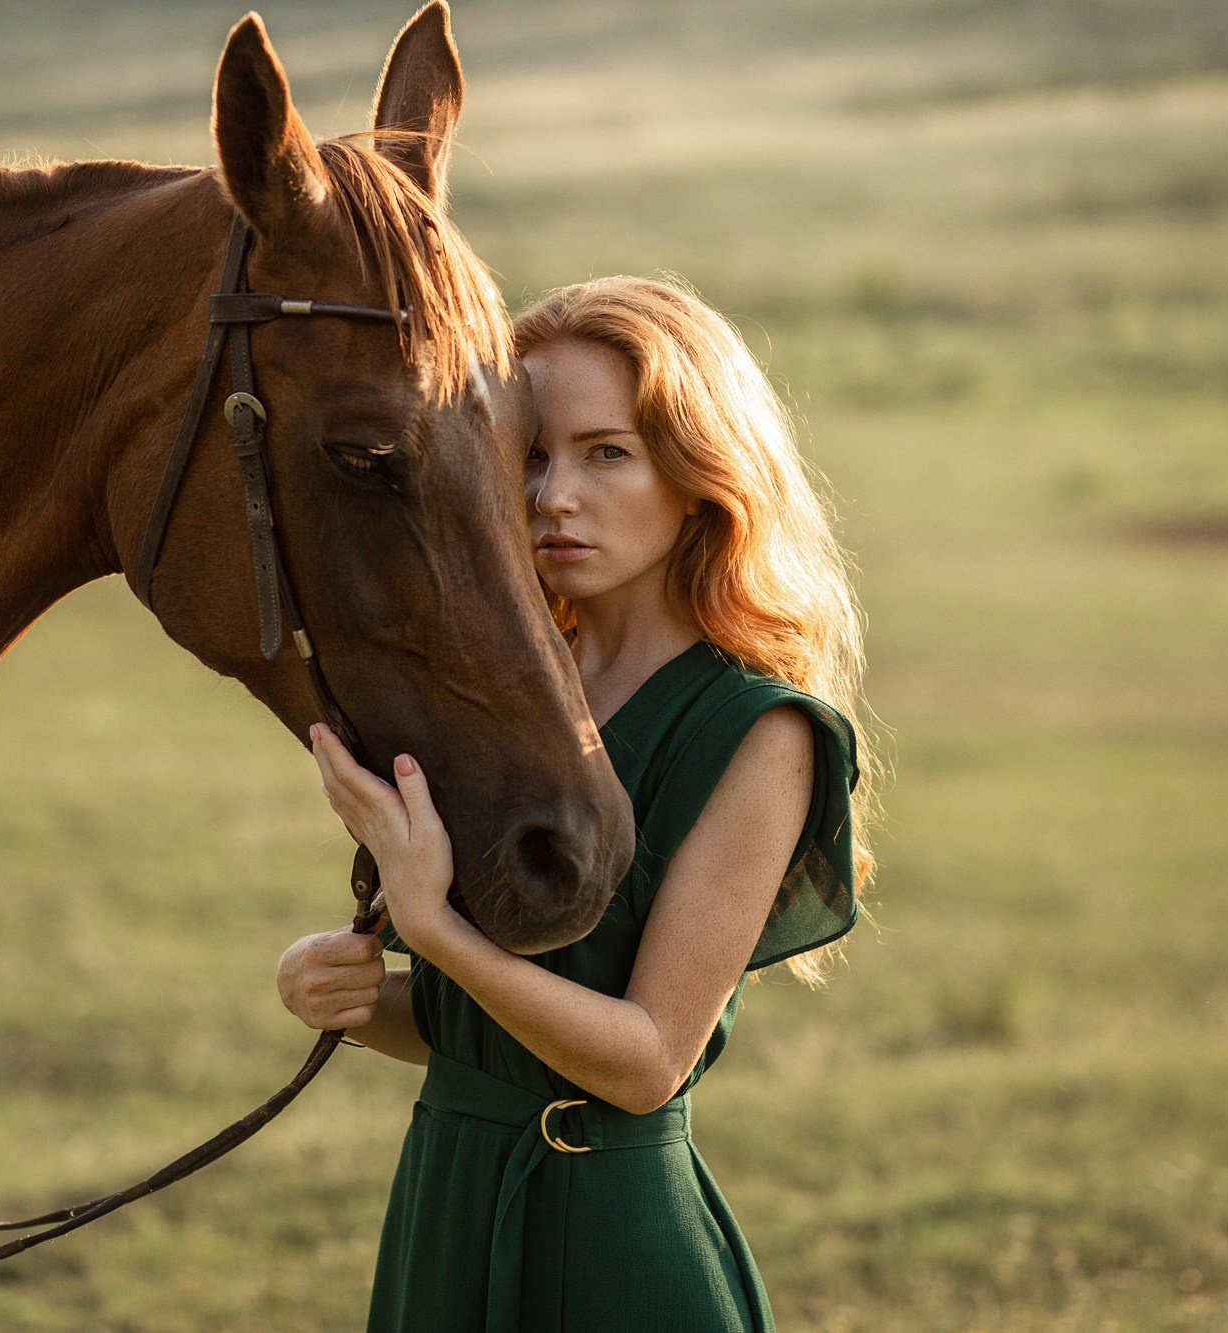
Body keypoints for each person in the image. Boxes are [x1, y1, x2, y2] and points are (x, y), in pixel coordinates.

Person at [279, 274, 876, 1332]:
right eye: (533, 456)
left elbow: (644, 1061)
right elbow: (495, 1034)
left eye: (607, 453)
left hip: (610, 1240)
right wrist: (355, 997)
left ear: (698, 473)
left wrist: (433, 932)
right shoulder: (505, 706)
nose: (555, 495)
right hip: (444, 1201)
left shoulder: (757, 731)